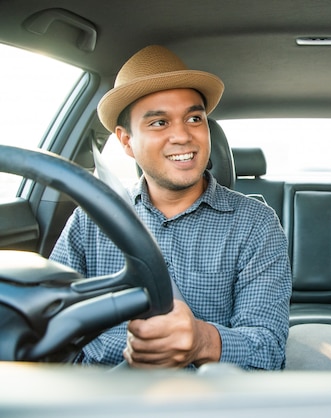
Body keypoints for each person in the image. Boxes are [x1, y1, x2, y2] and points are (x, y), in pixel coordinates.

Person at [50, 45, 292, 370]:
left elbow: (269, 350)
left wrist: (201, 340)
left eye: (194, 118)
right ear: (126, 142)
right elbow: (49, 324)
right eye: (159, 123)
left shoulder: (256, 224)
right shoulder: (91, 220)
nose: (182, 136)